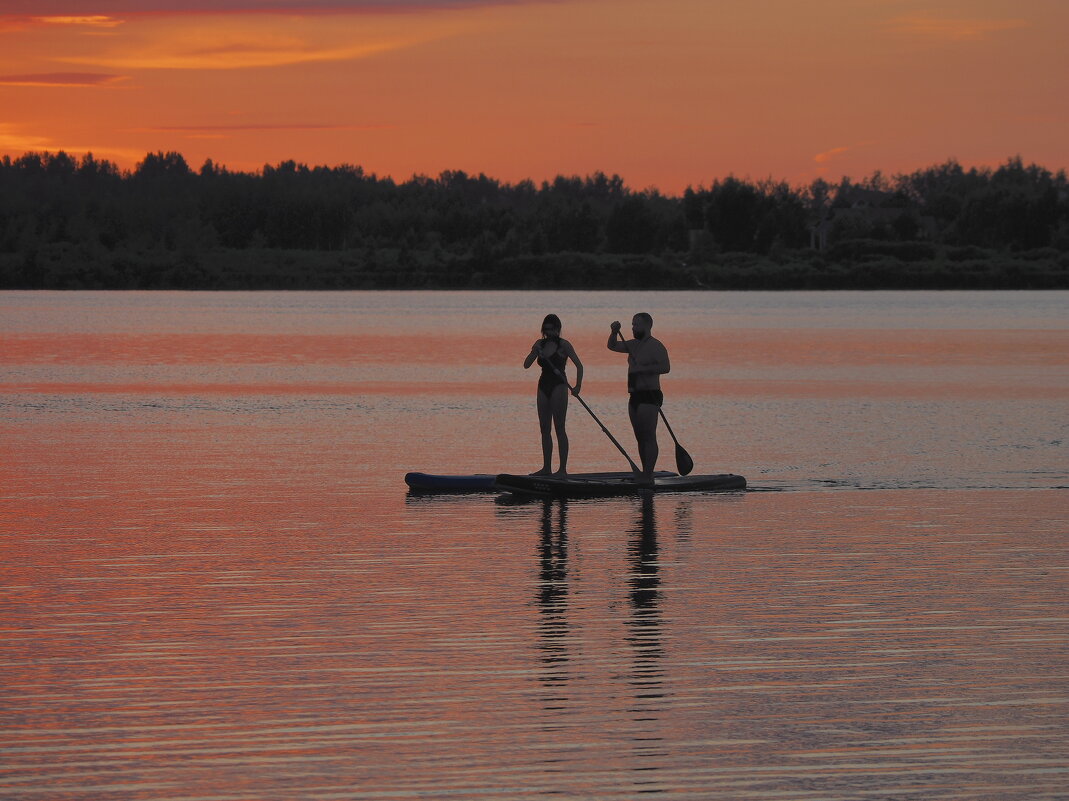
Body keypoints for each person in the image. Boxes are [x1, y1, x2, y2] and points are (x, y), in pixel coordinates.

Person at [607, 312, 670, 485]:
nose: (633, 328)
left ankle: (648, 474)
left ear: (647, 326)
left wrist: (644, 368)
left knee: (648, 435)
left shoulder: (656, 346)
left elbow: (666, 367)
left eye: (637, 325)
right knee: (639, 436)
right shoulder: (633, 345)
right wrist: (613, 331)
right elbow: (612, 346)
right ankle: (644, 471)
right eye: (632, 324)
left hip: (650, 394)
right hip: (634, 395)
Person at [524, 314, 584, 476]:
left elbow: (579, 366)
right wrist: (534, 352)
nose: (549, 332)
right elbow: (526, 365)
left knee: (559, 427)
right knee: (544, 428)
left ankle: (562, 469)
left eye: (552, 329)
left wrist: (577, 386)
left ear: (558, 329)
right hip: (543, 385)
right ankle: (546, 468)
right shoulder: (539, 344)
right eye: (546, 329)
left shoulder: (564, 345)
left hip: (559, 386)